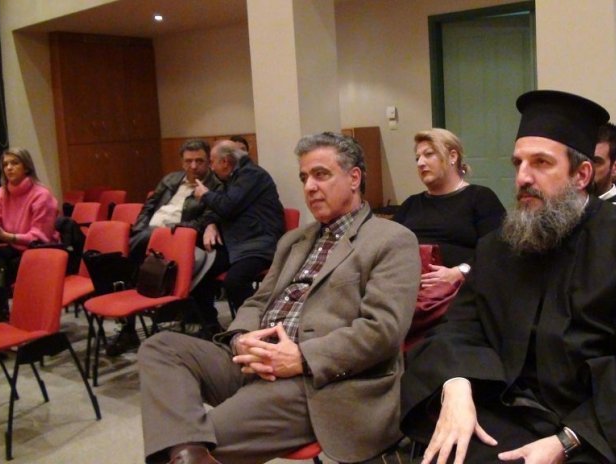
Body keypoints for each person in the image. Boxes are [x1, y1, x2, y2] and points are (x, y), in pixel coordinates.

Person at [400, 90, 616, 463]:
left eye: (541, 163)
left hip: (599, 428)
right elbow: (459, 327)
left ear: (581, 175)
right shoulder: (500, 245)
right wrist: (456, 385)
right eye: (518, 162)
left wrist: (567, 441)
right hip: (507, 408)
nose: (522, 177)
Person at [138, 132, 420, 464]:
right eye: (304, 177)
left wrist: (300, 357)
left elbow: (382, 330)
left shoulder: (391, 240)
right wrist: (241, 339)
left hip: (318, 379)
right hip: (257, 359)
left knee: (199, 440)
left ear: (354, 177)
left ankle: (188, 453)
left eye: (321, 174)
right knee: (162, 347)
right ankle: (188, 452)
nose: (310, 187)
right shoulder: (294, 240)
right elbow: (258, 302)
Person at [106, 139, 222, 356]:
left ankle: (127, 325)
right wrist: (139, 230)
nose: (194, 166)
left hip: (178, 239)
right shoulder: (170, 180)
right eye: (188, 161)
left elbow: (204, 221)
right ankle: (128, 323)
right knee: (134, 248)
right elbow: (147, 209)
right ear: (181, 161)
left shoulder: (214, 186)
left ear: (209, 161)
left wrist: (167, 232)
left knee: (124, 262)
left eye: (199, 161)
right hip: (148, 238)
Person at [393, 128, 505, 287]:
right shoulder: (411, 204)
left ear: (452, 156)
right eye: (417, 158)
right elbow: (387, 246)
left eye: (428, 154)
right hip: (409, 290)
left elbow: (498, 251)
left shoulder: (479, 197)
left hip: (462, 290)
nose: (420, 163)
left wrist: (460, 272)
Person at [193, 140, 285, 316]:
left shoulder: (251, 175)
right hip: (236, 243)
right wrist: (210, 225)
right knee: (199, 271)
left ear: (225, 162)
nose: (211, 167)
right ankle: (209, 323)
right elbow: (218, 208)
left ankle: (255, 323)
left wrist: (205, 194)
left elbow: (227, 206)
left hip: (259, 243)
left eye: (212, 162)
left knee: (235, 282)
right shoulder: (231, 178)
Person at [0, 148, 58, 318]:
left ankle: (26, 315)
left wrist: (5, 236)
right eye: (5, 165)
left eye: (14, 163)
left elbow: (39, 237)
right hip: (15, 246)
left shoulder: (41, 195)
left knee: (9, 266)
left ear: (26, 167)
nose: (9, 168)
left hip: (40, 250)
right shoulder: (3, 192)